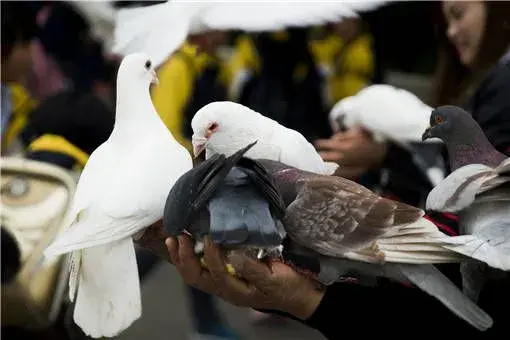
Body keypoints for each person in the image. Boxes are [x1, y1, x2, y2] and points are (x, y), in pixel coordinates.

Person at [166, 1, 510, 338]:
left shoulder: (500, 90)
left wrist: (301, 298)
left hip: (428, 256)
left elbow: (462, 205)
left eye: (458, 14)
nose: (450, 31)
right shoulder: (477, 89)